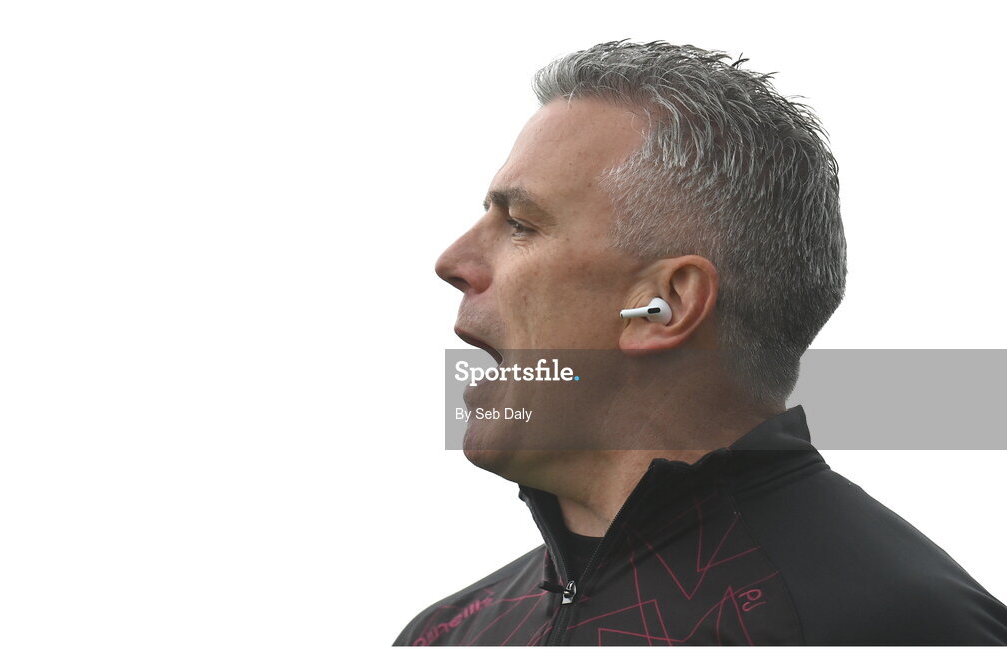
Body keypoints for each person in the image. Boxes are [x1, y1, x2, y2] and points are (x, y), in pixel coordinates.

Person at [394, 40, 1007, 646]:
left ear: (666, 307)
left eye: (521, 224)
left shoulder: (893, 624)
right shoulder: (451, 633)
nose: (453, 262)